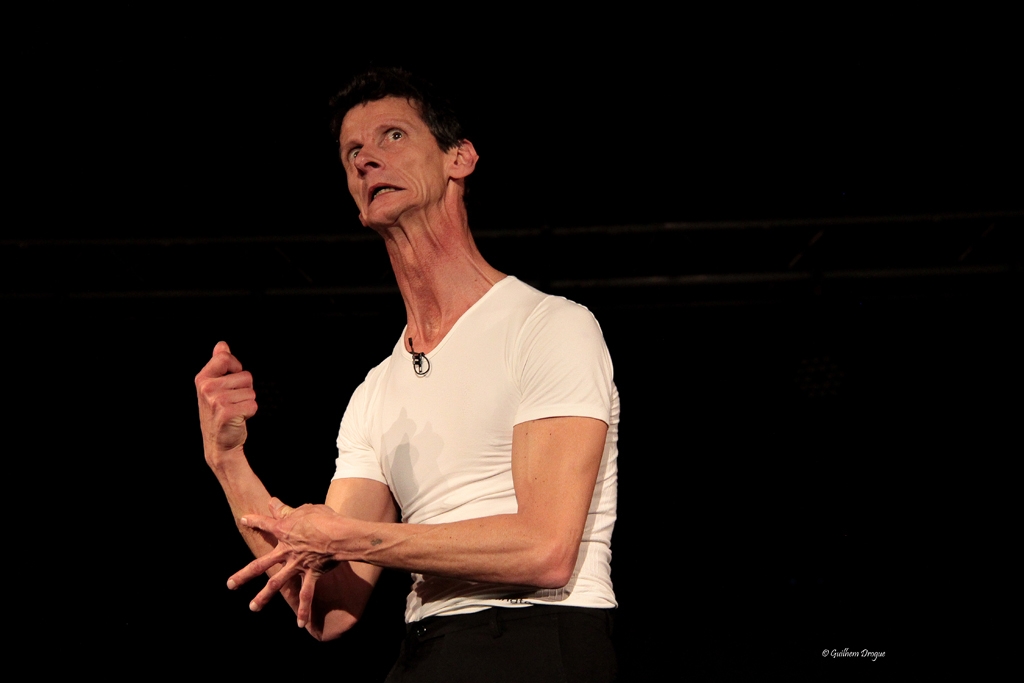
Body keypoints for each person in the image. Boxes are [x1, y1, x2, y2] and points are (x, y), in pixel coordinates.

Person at [195, 68, 619, 682]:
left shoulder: (548, 325)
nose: (367, 158)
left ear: (460, 158)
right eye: (351, 153)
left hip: (538, 639)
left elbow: (544, 549)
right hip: (427, 650)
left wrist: (353, 538)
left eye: (391, 136)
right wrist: (228, 463)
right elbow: (331, 610)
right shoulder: (376, 391)